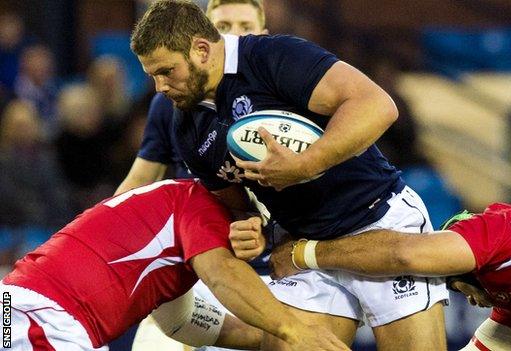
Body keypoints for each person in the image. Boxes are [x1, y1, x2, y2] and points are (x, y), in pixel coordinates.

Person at [130, 1, 448, 349]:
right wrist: (248, 227)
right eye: (152, 76)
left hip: (377, 222)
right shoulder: (187, 128)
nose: (160, 86)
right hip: (301, 249)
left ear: (201, 50)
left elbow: (377, 105)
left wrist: (306, 165)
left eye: (166, 72)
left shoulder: (273, 56)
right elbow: (238, 208)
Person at [0, 179, 348, 351]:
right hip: (38, 317)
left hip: (20, 312)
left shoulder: (172, 220)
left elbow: (182, 322)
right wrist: (296, 331)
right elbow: (223, 277)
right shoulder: (200, 208)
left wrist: (275, 340)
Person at [266, 202, 511, 351]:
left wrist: (304, 254)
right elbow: (495, 345)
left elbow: (402, 253)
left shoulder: (496, 231)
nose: (468, 300)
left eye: (454, 286)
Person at [116, 0, 268, 195]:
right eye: (222, 26)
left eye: (246, 27)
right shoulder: (168, 100)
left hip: (257, 213)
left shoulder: (275, 88)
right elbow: (140, 179)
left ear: (263, 36)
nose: (234, 35)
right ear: (205, 39)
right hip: (193, 213)